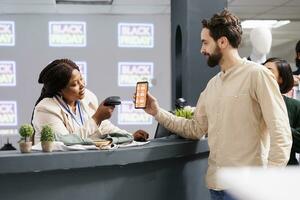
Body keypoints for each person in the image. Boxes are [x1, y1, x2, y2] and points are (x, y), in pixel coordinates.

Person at [141, 9, 292, 200]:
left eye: (205, 42)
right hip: (216, 187)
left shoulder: (257, 75)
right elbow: (195, 129)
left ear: (222, 42)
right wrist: (156, 112)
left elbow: (281, 134)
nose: (201, 49)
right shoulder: (212, 85)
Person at [32, 58, 148, 144]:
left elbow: (103, 127)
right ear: (60, 89)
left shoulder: (88, 97)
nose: (82, 85)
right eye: (74, 84)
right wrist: (96, 118)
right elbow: (66, 143)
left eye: (81, 79)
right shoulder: (46, 109)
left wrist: (129, 137)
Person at [263, 57, 300, 165]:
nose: (262, 74)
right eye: (261, 70)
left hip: (286, 171)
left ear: (281, 79)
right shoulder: (251, 105)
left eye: (268, 70)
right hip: (255, 171)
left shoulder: (294, 106)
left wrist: (278, 127)